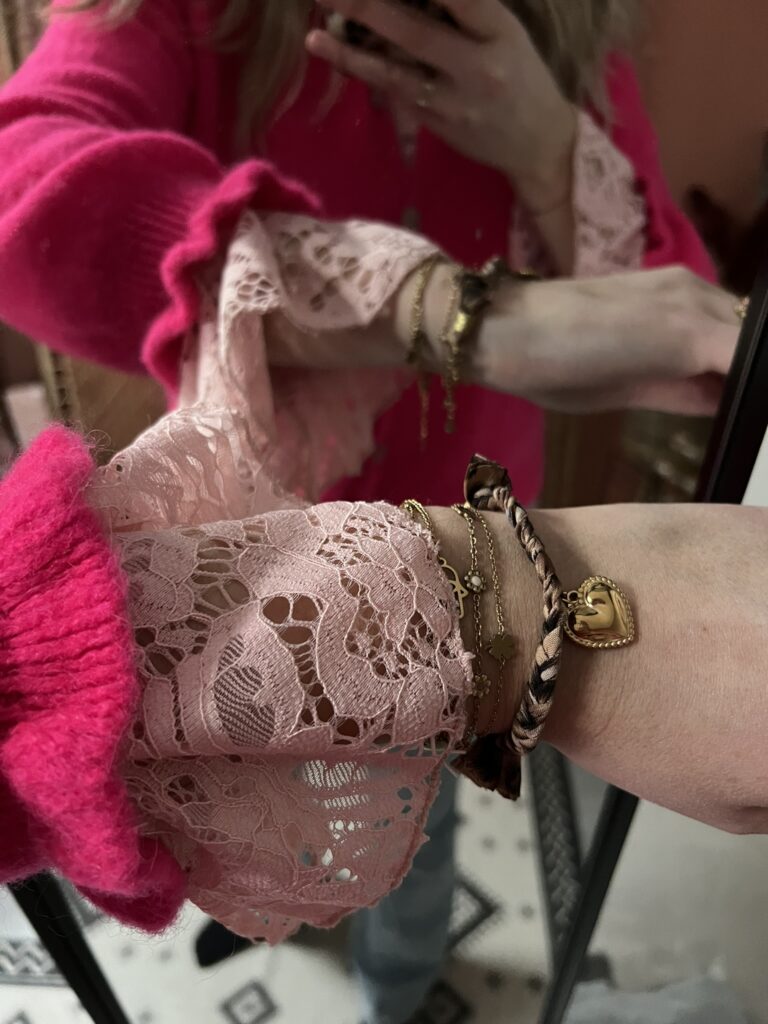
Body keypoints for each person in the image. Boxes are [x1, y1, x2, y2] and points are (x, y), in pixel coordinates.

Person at [0, 1, 734, 1021]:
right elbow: (22, 187)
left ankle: (397, 988)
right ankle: (280, 911)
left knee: (415, 819)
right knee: (249, 783)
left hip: (483, 528)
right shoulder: (187, 16)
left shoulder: (575, 34)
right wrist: (452, 311)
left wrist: (545, 142)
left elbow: (677, 318)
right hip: (260, 541)